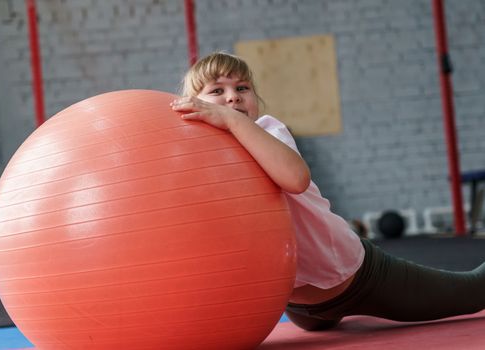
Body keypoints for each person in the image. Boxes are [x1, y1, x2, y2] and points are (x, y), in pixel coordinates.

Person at [171, 52, 485, 331]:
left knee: (472, 290)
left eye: (242, 88)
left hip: (357, 279)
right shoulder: (204, 161)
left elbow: (295, 179)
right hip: (300, 307)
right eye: (217, 91)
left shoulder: (268, 130)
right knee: (319, 327)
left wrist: (229, 120)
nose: (233, 98)